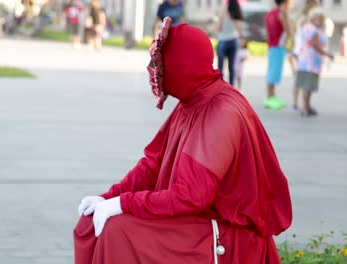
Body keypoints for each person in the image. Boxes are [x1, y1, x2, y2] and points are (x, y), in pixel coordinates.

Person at [74, 18, 292, 264]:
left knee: (118, 230)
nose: (157, 69)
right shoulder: (192, 101)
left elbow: (192, 195)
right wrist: (108, 197)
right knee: (90, 224)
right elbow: (152, 165)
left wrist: (123, 204)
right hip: (195, 219)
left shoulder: (222, 111)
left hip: (225, 234)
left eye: (163, 61)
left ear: (182, 63)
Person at [295, 8, 333, 117]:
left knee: (307, 86)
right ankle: (306, 107)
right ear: (313, 18)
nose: (321, 21)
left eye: (322, 19)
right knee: (307, 86)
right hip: (310, 63)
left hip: (305, 62)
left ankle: (307, 106)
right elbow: (315, 45)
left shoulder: (308, 27)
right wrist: (327, 54)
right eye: (319, 19)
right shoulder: (313, 30)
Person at [264, 0, 293, 110]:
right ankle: (270, 97)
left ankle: (272, 96)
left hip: (271, 45)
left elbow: (267, 32)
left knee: (271, 70)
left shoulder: (268, 14)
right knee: (274, 73)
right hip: (279, 45)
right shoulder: (282, 13)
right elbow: (288, 31)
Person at [291, 0, 319, 111]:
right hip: (303, 53)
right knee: (304, 79)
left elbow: (293, 32)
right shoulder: (308, 19)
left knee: (298, 78)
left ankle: (296, 103)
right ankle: (304, 105)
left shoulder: (299, 17)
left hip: (297, 50)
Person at [215, 0, 244, 86]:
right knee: (231, 67)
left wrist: (220, 19)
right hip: (233, 41)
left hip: (223, 41)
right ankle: (231, 86)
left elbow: (218, 29)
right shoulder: (237, 14)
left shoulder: (223, 13)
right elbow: (240, 30)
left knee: (220, 67)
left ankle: (219, 86)